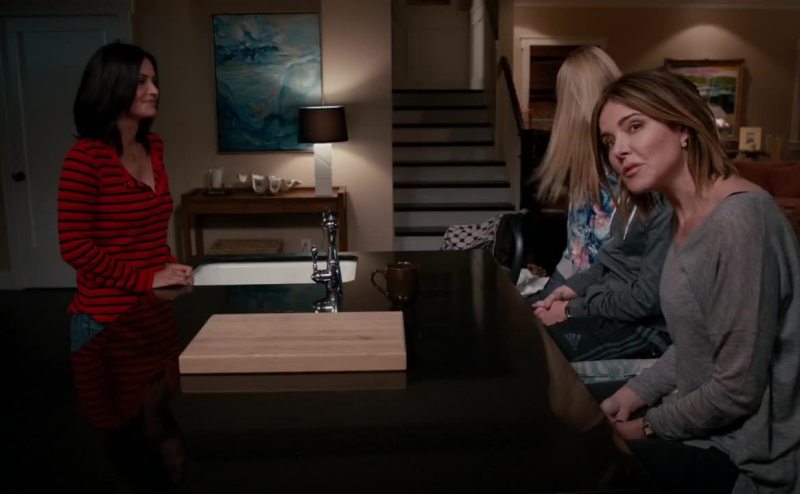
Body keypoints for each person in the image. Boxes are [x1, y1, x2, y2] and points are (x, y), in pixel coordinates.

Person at [592, 69, 800, 493]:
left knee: (592, 463)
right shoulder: (684, 215)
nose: (619, 151)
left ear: (682, 127)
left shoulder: (740, 221)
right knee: (577, 412)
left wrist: (646, 427)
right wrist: (634, 393)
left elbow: (737, 389)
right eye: (610, 140)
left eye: (635, 126)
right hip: (701, 420)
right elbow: (697, 344)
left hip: (743, 452)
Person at [58, 42, 193, 351]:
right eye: (141, 81)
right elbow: (74, 247)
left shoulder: (153, 146)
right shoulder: (85, 157)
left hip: (154, 309)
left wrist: (168, 266)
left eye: (154, 81)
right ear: (111, 87)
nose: (154, 90)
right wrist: (146, 279)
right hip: (106, 319)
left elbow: (149, 228)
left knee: (165, 382)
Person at [527, 46, 622, 300]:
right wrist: (542, 298)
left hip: (603, 304)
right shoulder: (586, 170)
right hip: (578, 292)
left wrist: (562, 304)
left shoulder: (622, 170)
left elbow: (619, 271)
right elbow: (575, 254)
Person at [532, 193, 672, 362]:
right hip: (610, 307)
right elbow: (610, 261)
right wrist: (567, 290)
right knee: (521, 322)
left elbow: (645, 301)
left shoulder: (665, 209)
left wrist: (570, 310)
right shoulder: (633, 196)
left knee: (537, 350)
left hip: (646, 327)